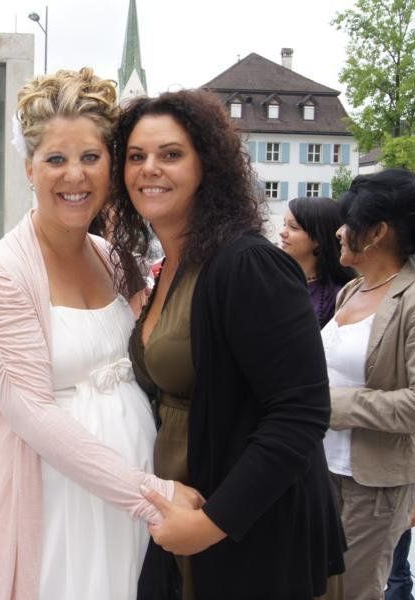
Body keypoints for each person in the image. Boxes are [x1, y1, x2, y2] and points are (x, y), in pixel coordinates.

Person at [0, 68, 199, 600]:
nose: (75, 176)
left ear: (110, 165)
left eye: (90, 157)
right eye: (55, 160)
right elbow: (34, 416)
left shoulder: (114, 259)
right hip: (57, 500)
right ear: (29, 167)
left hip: (127, 494)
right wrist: (151, 494)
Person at [109, 91, 345, 599]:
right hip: (183, 514)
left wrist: (215, 522)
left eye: (171, 154)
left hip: (249, 528)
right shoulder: (173, 266)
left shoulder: (247, 263)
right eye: (135, 156)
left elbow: (301, 412)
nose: (149, 169)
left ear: (207, 167)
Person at [322, 168, 415, 600]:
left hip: (374, 483)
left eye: (349, 222)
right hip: (323, 467)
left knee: (352, 591)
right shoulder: (352, 291)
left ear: (378, 232)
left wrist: (331, 405)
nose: (339, 232)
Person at [280, 196, 356, 327]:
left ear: (319, 238)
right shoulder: (273, 278)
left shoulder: (340, 295)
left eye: (293, 227)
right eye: (284, 224)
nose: (282, 232)